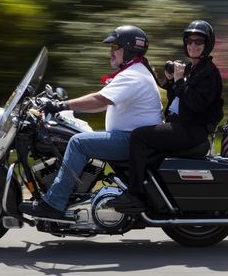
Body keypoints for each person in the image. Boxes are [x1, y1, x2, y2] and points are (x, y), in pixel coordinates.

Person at [19, 25, 163, 219]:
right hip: (130, 137)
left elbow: (100, 99)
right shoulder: (135, 71)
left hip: (130, 139)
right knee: (76, 133)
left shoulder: (133, 76)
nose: (111, 52)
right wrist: (67, 108)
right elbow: (102, 105)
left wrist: (60, 105)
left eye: (115, 46)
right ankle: (72, 194)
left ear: (129, 49)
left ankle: (55, 203)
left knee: (78, 143)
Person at [125, 20, 224, 202]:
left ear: (207, 44)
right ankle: (153, 194)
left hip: (192, 130)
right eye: (190, 41)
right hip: (181, 125)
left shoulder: (209, 73)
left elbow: (196, 105)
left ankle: (133, 195)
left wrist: (179, 81)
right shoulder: (193, 69)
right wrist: (171, 82)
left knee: (138, 137)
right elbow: (178, 101)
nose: (193, 45)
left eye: (199, 42)